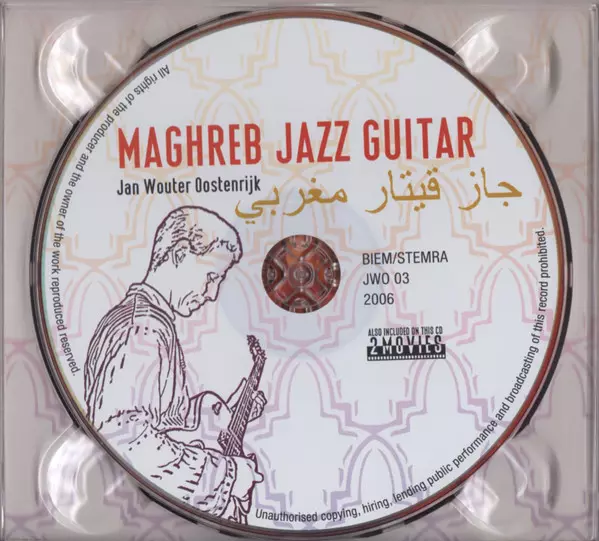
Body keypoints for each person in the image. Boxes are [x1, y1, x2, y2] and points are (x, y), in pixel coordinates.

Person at [84, 205, 266, 522]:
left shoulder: (149, 323)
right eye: (211, 277)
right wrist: (229, 475)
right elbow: (128, 441)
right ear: (180, 254)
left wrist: (226, 412)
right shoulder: (142, 329)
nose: (212, 293)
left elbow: (164, 420)